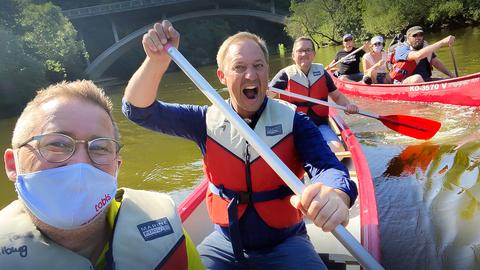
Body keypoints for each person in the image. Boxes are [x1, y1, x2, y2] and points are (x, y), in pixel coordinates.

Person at [122, 20, 358, 269]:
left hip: (286, 241)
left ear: (267, 71)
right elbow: (138, 111)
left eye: (258, 66)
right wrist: (156, 62)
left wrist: (337, 194)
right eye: (239, 67)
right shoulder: (203, 120)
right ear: (222, 76)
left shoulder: (295, 120)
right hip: (225, 244)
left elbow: (328, 167)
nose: (250, 75)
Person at [0, 80, 203, 269]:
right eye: (57, 143)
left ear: (117, 165)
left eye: (100, 148)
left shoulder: (165, 229)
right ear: (13, 164)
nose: (80, 162)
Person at [270, 36, 359, 152]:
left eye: (308, 50)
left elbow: (337, 96)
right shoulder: (284, 75)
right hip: (294, 128)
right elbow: (266, 96)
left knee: (338, 149)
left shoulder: (322, 73)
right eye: (300, 51)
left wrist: (348, 105)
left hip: (320, 125)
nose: (304, 54)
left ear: (313, 54)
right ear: (293, 55)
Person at [389, 26, 455, 84]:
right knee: (417, 78)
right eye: (415, 35)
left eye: (421, 35)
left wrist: (452, 76)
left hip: (425, 80)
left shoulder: (425, 46)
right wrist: (442, 42)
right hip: (404, 82)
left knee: (449, 81)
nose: (418, 37)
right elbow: (418, 55)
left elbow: (436, 62)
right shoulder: (401, 49)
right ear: (408, 38)